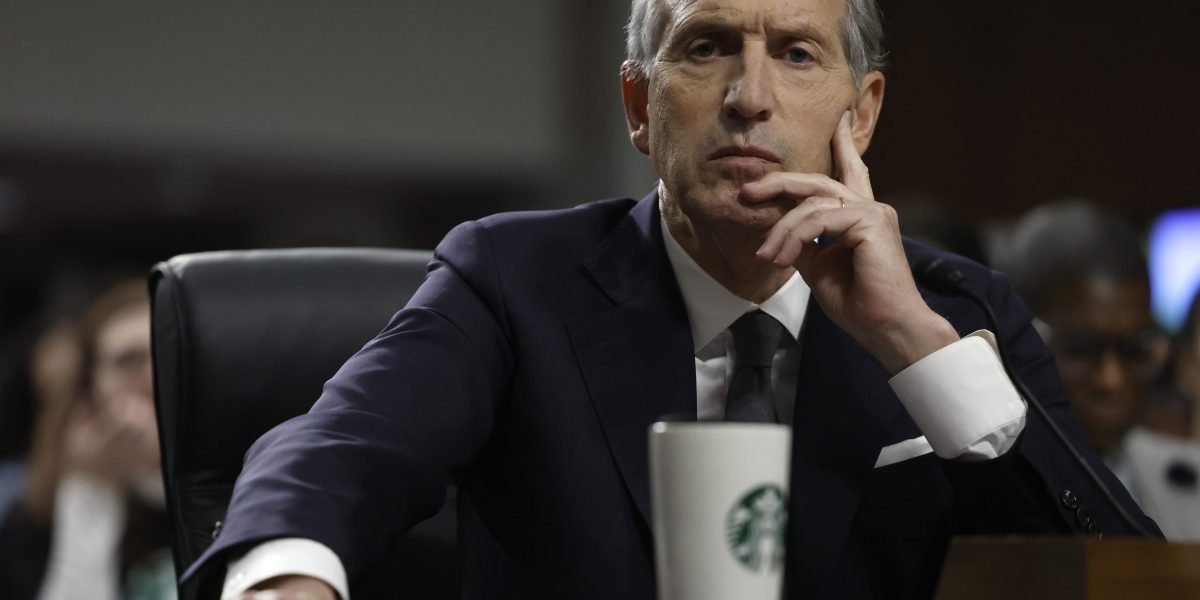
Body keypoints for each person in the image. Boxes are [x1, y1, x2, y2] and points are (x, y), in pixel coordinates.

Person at [197, 1, 1157, 598]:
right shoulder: (515, 281)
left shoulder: (957, 310)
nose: (749, 97)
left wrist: (911, 343)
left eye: (796, 53)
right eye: (706, 47)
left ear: (861, 113)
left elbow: (1120, 571)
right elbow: (342, 446)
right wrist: (288, 576)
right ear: (638, 107)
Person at [1005, 201, 1200, 541]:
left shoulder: (1188, 477)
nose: (1111, 381)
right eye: (1080, 350)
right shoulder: (980, 489)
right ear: (1015, 340)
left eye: (1135, 349)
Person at [0, 280, 175, 599]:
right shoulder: (34, 520)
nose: (154, 376)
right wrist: (90, 486)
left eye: (169, 351)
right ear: (90, 392)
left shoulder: (247, 472)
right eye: (129, 360)